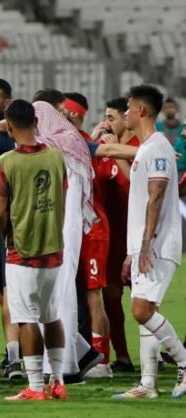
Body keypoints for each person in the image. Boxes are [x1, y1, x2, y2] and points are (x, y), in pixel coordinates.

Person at [0, 99, 68, 401]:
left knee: (25, 319)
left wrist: (6, 232)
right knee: (51, 316)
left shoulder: (6, 162)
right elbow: (61, 196)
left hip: (21, 250)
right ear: (35, 122)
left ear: (9, 126)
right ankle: (58, 381)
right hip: (53, 248)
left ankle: (36, 387)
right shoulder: (56, 157)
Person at [112, 85, 186, 400]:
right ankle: (147, 384)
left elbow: (155, 197)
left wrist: (145, 245)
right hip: (146, 244)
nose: (126, 113)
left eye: (128, 108)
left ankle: (183, 363)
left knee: (141, 310)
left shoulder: (156, 147)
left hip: (156, 244)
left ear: (141, 110)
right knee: (146, 309)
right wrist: (133, 250)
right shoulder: (147, 148)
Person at [61, 92, 114, 379]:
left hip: (91, 228)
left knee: (94, 294)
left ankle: (102, 360)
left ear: (74, 115)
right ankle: (82, 355)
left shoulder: (82, 143)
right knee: (75, 294)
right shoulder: (69, 141)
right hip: (72, 228)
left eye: (64, 112)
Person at [91, 97, 138, 372]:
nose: (107, 122)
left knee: (144, 301)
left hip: (138, 236)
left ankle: (154, 355)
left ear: (125, 118)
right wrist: (97, 144)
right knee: (111, 298)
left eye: (111, 117)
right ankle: (122, 357)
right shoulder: (104, 151)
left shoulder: (138, 148)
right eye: (105, 116)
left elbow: (135, 182)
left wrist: (113, 151)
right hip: (112, 237)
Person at [155, 97, 186, 173]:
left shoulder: (183, 128)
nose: (169, 110)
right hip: (163, 169)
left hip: (181, 169)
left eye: (171, 107)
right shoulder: (157, 127)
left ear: (177, 109)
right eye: (166, 107)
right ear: (162, 110)